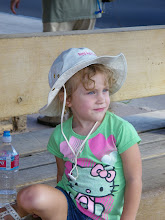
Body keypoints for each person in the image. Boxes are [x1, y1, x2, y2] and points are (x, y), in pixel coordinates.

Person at [0, 47, 142, 220]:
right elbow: (62, 178)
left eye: (104, 90)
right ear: (67, 99)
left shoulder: (120, 130)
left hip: (104, 217)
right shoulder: (60, 135)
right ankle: (15, 212)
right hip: (69, 209)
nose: (101, 98)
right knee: (28, 196)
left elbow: (134, 180)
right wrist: (50, 207)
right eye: (91, 92)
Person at [10, 0, 103, 127]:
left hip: (60, 8)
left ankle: (56, 113)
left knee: (56, 60)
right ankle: (81, 112)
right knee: (83, 60)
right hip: (89, 7)